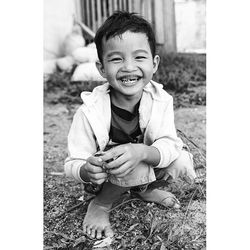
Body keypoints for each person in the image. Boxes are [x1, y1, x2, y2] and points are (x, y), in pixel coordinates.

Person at [64, 11, 196, 240]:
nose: (128, 67)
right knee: (130, 161)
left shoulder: (161, 100)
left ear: (154, 63)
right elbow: (72, 162)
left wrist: (142, 151)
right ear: (102, 68)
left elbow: (168, 143)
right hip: (108, 175)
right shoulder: (89, 111)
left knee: (180, 158)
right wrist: (87, 169)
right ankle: (101, 204)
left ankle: (146, 190)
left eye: (139, 57)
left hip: (142, 162)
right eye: (116, 59)